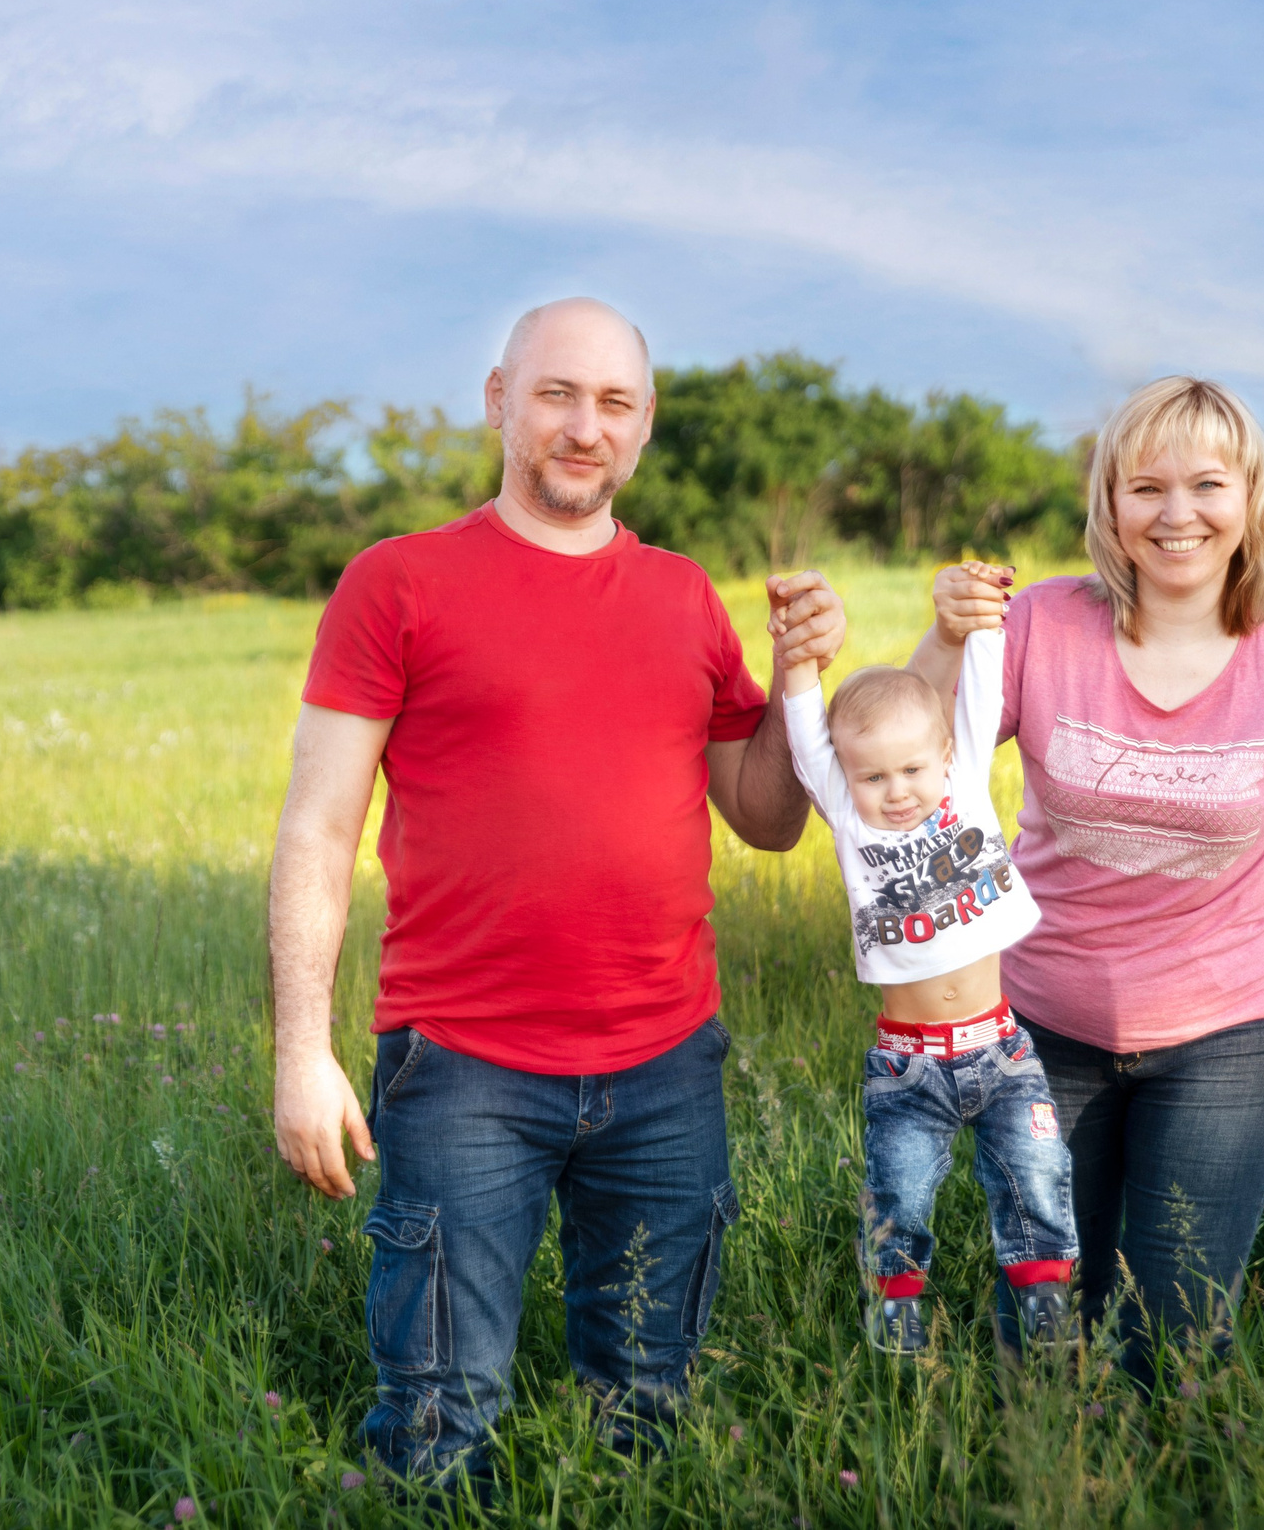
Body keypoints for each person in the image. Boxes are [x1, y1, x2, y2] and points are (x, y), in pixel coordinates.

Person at [265, 298, 844, 1486]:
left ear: (645, 425)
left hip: (666, 1065)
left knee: (649, 1407)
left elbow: (770, 819)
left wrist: (798, 683)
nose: (587, 428)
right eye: (558, 395)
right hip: (461, 1068)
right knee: (437, 1420)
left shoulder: (684, 595)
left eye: (615, 403)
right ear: (499, 401)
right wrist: (300, 1052)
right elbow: (318, 829)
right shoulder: (398, 583)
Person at [908, 375, 1264, 1389]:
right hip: (1042, 1027)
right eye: (1145, 487)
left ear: (1249, 498)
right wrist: (948, 641)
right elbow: (910, 770)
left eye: (1207, 484)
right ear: (1109, 505)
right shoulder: (1040, 626)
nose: (1177, 514)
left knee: (1175, 1333)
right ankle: (1046, 1465)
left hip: (1231, 1040)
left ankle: (1170, 1461)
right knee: (1042, 1310)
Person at [775, 599, 1077, 1356]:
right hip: (908, 1066)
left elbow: (979, 699)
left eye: (912, 769)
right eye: (873, 775)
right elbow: (808, 740)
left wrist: (985, 623)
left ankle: (1043, 1300)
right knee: (899, 1191)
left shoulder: (963, 781)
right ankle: (896, 1311)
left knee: (1036, 1171)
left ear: (944, 755)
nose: (897, 790)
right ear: (847, 779)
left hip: (1002, 1049)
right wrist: (798, 658)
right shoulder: (852, 822)